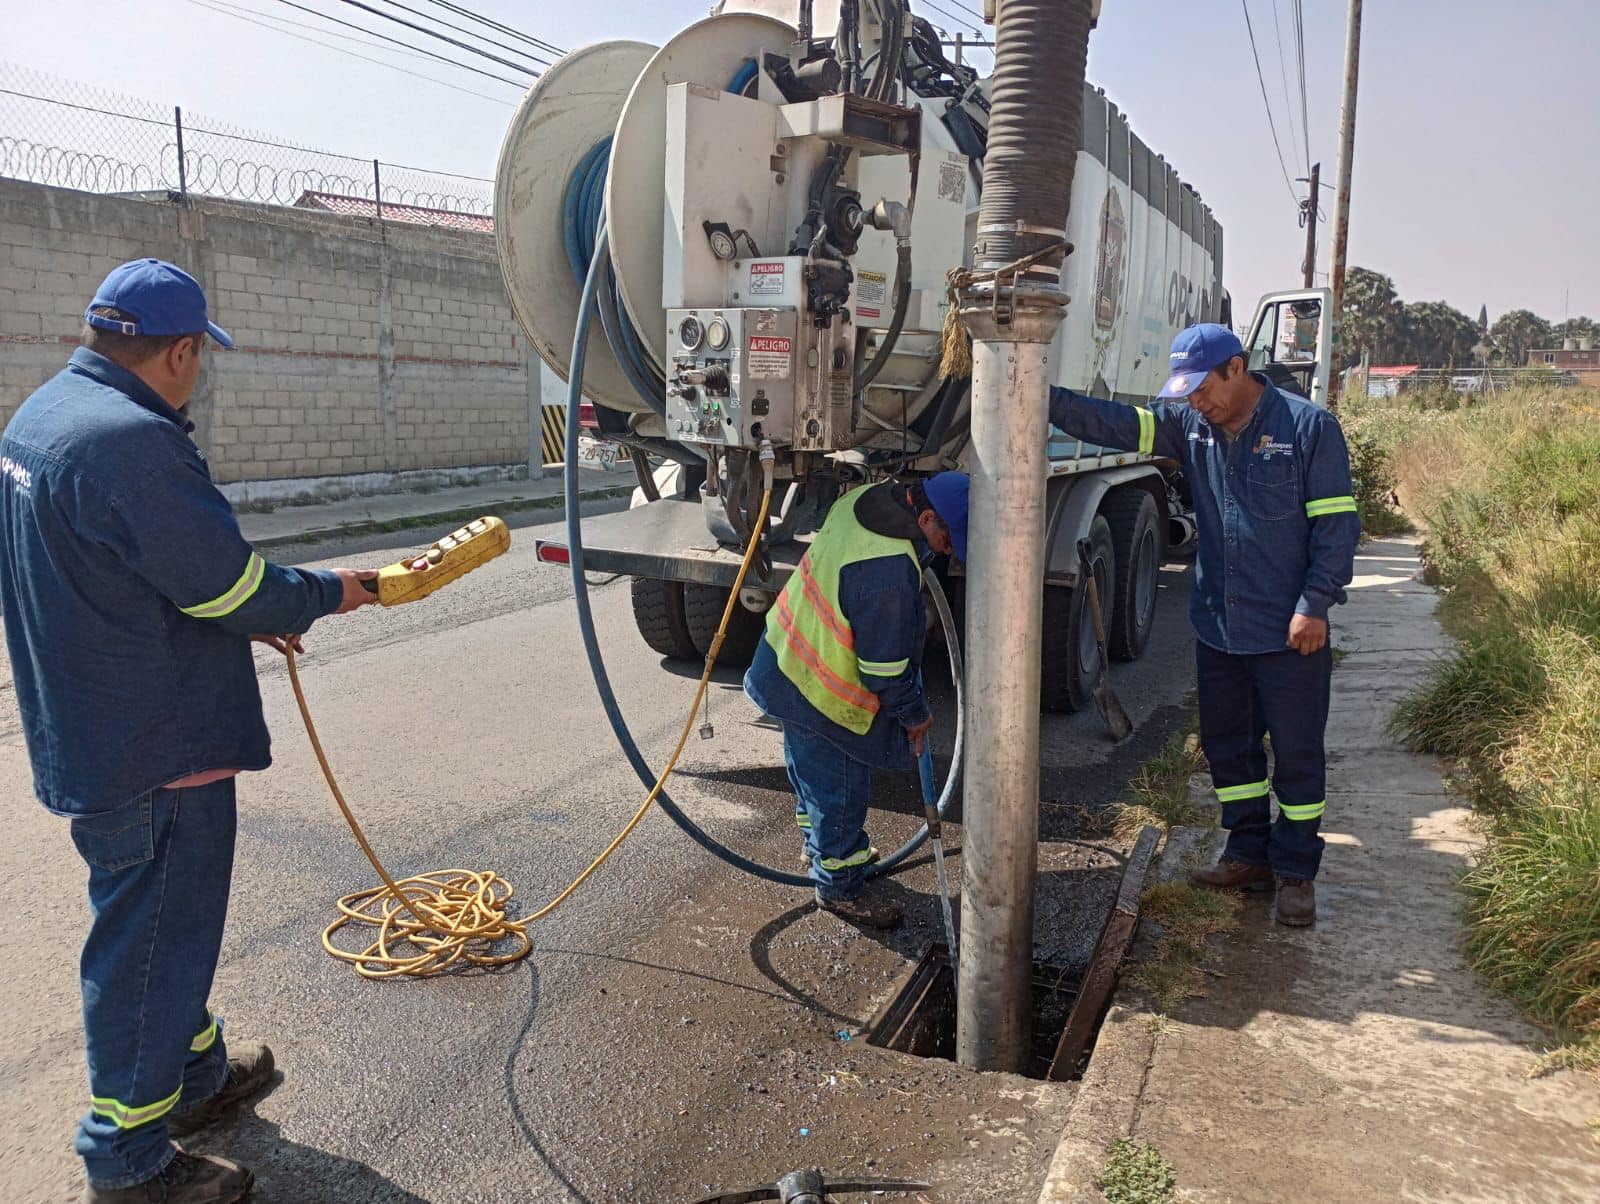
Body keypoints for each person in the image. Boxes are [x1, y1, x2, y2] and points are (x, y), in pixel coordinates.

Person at [0, 259, 380, 1203]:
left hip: (89, 723)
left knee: (168, 928)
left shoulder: (42, 416)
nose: (198, 373)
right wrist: (331, 592)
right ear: (177, 352)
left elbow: (131, 571)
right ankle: (124, 1158)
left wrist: (238, 606)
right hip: (154, 746)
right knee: (148, 941)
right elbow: (229, 586)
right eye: (199, 358)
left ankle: (199, 1077)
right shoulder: (131, 445)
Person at [1047, 324, 1360, 926]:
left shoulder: (1307, 428)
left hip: (1289, 632)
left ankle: (1295, 872)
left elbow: (1335, 527)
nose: (1196, 401)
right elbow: (1116, 424)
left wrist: (1315, 604)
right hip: (1220, 627)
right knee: (1228, 752)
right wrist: (1044, 394)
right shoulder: (1192, 427)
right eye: (1185, 392)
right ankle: (1247, 853)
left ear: (1237, 368)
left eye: (1203, 388)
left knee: (1296, 757)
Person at [744, 472, 969, 929]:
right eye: (946, 536)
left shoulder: (867, 499)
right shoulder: (886, 574)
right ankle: (840, 885)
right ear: (924, 516)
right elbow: (884, 672)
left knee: (811, 778)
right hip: (824, 696)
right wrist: (916, 717)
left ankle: (826, 848)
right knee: (840, 792)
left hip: (787, 662)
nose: (948, 548)